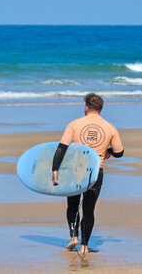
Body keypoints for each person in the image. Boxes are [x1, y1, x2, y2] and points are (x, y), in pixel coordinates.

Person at [52, 93, 124, 255]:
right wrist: (109, 150)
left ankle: (73, 237)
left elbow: (61, 148)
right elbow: (120, 152)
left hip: (75, 170)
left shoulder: (75, 124)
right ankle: (84, 246)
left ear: (86, 107)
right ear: (100, 108)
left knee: (72, 205)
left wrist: (55, 169)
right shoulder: (110, 127)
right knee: (88, 209)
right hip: (95, 172)